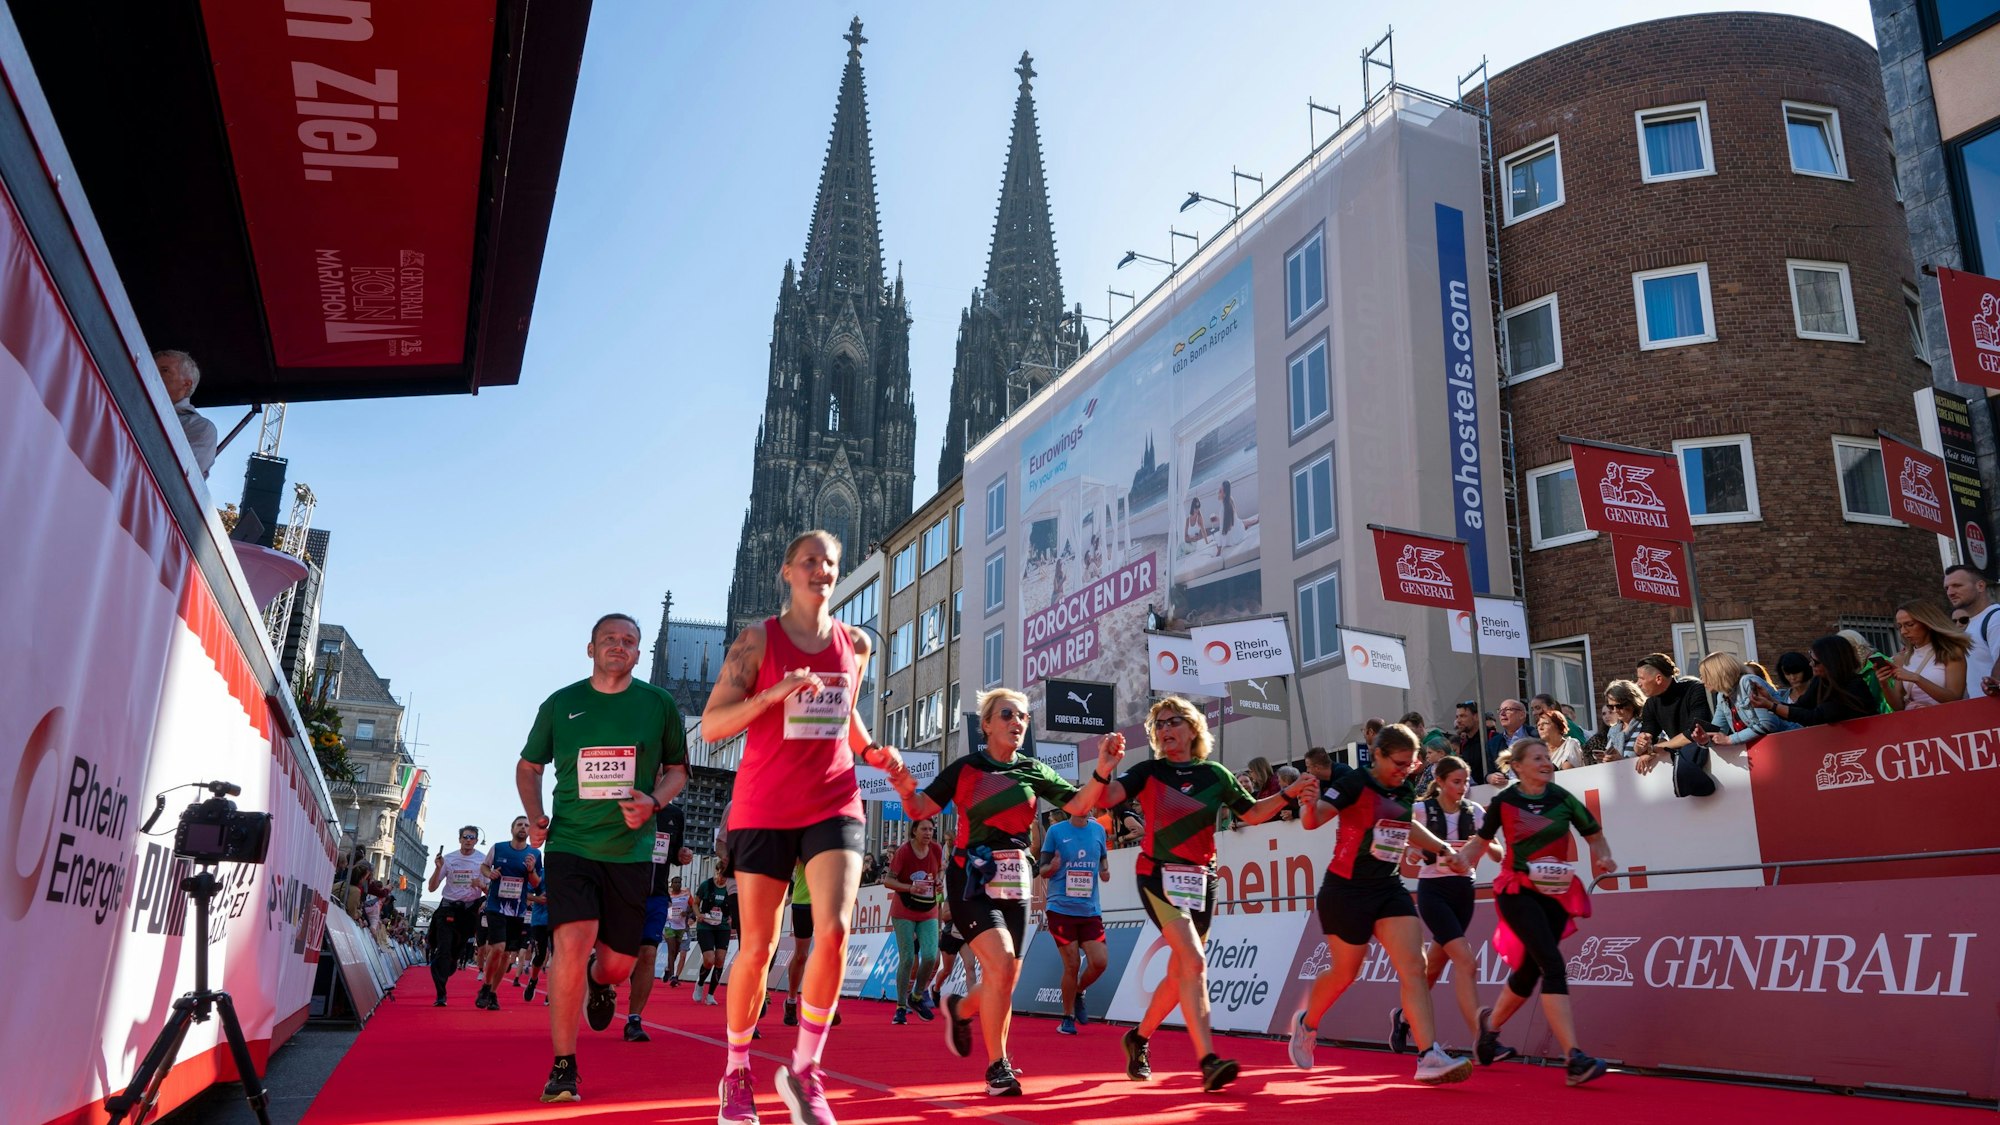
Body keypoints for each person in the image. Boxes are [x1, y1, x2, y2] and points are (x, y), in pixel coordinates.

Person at [701, 529, 900, 1125]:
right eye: (809, 561)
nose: (820, 570)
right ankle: (736, 1073)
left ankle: (806, 1070)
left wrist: (872, 752)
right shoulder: (757, 640)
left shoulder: (857, 644)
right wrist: (773, 694)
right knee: (758, 948)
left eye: (830, 563)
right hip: (763, 806)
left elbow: (847, 714)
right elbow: (712, 726)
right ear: (787, 571)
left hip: (834, 800)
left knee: (833, 931)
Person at [1066, 696, 1313, 1093]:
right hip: (1157, 875)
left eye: (1173, 722)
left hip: (1202, 880)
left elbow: (1250, 814)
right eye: (1159, 725)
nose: (1165, 730)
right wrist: (1103, 768)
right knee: (1195, 962)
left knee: (1181, 972)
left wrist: (1290, 793)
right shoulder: (1148, 771)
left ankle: (1139, 1038)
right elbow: (1105, 799)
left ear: (1193, 728)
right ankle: (1208, 1060)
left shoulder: (1216, 774)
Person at [516, 612, 690, 1104]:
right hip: (571, 845)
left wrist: (653, 802)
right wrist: (535, 816)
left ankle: (600, 982)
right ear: (590, 649)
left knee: (616, 964)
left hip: (632, 852)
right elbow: (529, 766)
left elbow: (677, 770)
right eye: (609, 639)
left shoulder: (659, 705)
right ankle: (564, 1066)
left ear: (639, 653)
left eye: (629, 641)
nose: (619, 646)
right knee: (572, 942)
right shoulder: (562, 703)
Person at [888, 688, 1078, 1098]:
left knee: (1005, 978)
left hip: (1017, 883)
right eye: (1007, 714)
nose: (1017, 722)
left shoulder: (1033, 770)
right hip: (970, 880)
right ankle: (998, 1067)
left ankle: (960, 1009)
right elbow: (921, 808)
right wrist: (905, 786)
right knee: (1001, 963)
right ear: (986, 724)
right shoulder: (966, 769)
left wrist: (1104, 772)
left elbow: (1080, 804)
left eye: (1023, 717)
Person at [1285, 723, 1476, 1086]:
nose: (1405, 770)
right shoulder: (1354, 783)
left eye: (1410, 763)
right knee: (1345, 973)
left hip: (1387, 887)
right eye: (1399, 763)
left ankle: (1428, 1055)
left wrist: (1444, 848)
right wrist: (1306, 804)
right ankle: (1307, 1022)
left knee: (1414, 967)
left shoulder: (1404, 787)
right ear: (1377, 755)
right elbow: (1315, 821)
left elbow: (1406, 826)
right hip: (1345, 890)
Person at [1453, 738, 1618, 1087]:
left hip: (1556, 894)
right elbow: (1481, 842)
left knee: (1529, 971)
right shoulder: (1506, 801)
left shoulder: (1562, 799)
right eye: (1538, 758)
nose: (1546, 762)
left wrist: (1603, 854)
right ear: (1518, 767)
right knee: (1553, 965)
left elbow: (1594, 834)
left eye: (1547, 757)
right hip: (1517, 891)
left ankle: (1489, 1031)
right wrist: (1463, 859)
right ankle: (1574, 1058)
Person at [1387, 756, 1509, 1062]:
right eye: (1456, 781)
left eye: (1466, 781)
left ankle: (1403, 1018)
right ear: (1439, 782)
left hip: (1463, 893)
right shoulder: (1421, 810)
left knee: (1432, 971)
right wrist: (1412, 853)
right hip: (1434, 892)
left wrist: (1479, 844)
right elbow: (1399, 835)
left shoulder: (1475, 811)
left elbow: (1498, 853)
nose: (1463, 787)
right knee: (1466, 962)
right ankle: (1483, 1038)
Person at [1036, 804, 1110, 1035]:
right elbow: (1042, 869)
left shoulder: (1098, 830)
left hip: (1089, 910)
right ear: (1070, 806)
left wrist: (1105, 871)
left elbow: (1103, 861)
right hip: (1060, 908)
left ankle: (1078, 992)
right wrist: (1053, 867)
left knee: (1100, 962)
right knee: (1072, 964)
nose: (1086, 807)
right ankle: (1067, 1017)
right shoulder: (1056, 831)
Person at [625, 800, 695, 1041]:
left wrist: (682, 854)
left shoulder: (675, 814)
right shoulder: (626, 802)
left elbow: (675, 853)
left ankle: (634, 1020)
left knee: (648, 954)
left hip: (656, 896)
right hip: (625, 893)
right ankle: (601, 985)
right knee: (620, 958)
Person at [475, 816, 543, 1011]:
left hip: (518, 910)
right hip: (496, 906)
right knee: (497, 948)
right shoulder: (498, 847)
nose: (523, 827)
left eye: (526, 825)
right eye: (519, 824)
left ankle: (493, 993)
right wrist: (490, 874)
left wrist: (530, 871)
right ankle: (485, 987)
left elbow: (537, 883)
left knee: (506, 956)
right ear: (512, 828)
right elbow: (484, 866)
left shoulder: (535, 854)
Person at [883, 819, 944, 1024]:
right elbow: (888, 881)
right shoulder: (904, 851)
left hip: (928, 910)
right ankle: (900, 1007)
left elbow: (941, 870)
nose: (928, 832)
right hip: (904, 910)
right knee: (908, 958)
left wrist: (939, 881)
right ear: (914, 831)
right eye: (924, 829)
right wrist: (909, 888)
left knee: (930, 956)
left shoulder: (936, 849)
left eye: (931, 829)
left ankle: (916, 996)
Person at [1750, 635, 1878, 727]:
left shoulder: (1853, 686)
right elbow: (1801, 707)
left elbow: (1815, 717)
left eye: (1816, 662)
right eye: (1811, 659)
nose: (1811, 664)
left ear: (1831, 663)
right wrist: (1771, 701)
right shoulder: (1820, 681)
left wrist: (1772, 706)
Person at [427, 828, 488, 1006]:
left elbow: (490, 890)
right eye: (465, 837)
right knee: (444, 949)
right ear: (459, 839)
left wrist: (481, 885)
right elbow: (431, 888)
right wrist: (437, 869)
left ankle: (449, 965)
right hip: (448, 908)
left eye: (472, 838)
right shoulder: (449, 858)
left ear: (476, 841)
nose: (468, 840)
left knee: (455, 953)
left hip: (469, 913)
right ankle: (441, 994)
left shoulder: (482, 860)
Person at [1629, 654, 1709, 779]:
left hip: (1710, 759)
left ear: (1659, 679)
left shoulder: (1695, 690)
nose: (1638, 684)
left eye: (1641, 678)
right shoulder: (1650, 704)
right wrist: (1641, 745)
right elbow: (1644, 742)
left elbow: (1694, 733)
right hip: (1685, 764)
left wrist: (1655, 748)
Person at [1692, 652, 1793, 749]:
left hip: (1791, 743)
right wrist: (1705, 740)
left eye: (1704, 674)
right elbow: (1718, 731)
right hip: (1766, 750)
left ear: (1717, 673)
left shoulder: (1748, 682)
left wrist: (1729, 739)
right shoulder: (1722, 696)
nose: (1702, 680)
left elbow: (1769, 724)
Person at [1884, 599, 1971, 709]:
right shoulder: (1901, 658)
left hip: (1949, 721)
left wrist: (1916, 678)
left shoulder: (1950, 652)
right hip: (1917, 722)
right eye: (1900, 626)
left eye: (1909, 624)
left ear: (1928, 623)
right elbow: (1898, 706)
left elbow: (1954, 697)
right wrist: (1884, 684)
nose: (1903, 632)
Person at [153, 349, 217, 478]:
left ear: (186, 384)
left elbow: (175, 477)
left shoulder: (200, 428)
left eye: (164, 370)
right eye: (152, 367)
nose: (153, 373)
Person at [1945, 564, 2000, 694]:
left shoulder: (1995, 618)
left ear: (1980, 586)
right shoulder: (1972, 623)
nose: (1950, 592)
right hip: (1982, 710)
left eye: (1957, 585)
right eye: (1947, 588)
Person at [693, 865, 732, 1004]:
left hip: (722, 927)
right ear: (717, 872)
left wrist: (732, 917)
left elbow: (737, 905)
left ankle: (710, 995)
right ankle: (700, 984)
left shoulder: (731, 888)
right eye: (721, 875)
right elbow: (695, 903)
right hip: (706, 926)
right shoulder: (706, 885)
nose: (723, 879)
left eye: (726, 876)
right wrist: (698, 915)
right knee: (709, 960)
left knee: (720, 959)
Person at [1596, 681, 1644, 761]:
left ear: (1633, 703)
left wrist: (1621, 760)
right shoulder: (1613, 730)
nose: (1615, 710)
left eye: (1619, 706)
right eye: (1610, 707)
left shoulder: (1646, 726)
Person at [662, 876, 693, 989]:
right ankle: (672, 973)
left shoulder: (686, 894)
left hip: (683, 927)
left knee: (680, 953)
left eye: (679, 882)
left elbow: (693, 906)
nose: (677, 884)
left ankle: (671, 972)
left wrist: (687, 913)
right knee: (672, 949)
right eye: (675, 882)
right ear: (671, 884)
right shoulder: (667, 896)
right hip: (669, 925)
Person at [523, 885, 551, 1003]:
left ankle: (552, 992)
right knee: (540, 956)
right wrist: (537, 899)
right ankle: (533, 980)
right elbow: (524, 892)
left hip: (559, 920)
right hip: (539, 921)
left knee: (559, 957)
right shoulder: (540, 874)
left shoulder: (568, 873)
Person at [1451, 703, 1491, 779]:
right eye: (1457, 717)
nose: (1458, 721)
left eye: (1463, 716)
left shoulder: (1491, 738)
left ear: (1476, 717)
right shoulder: (1464, 743)